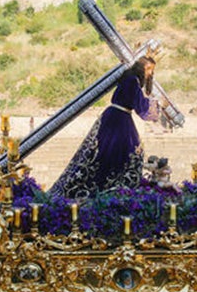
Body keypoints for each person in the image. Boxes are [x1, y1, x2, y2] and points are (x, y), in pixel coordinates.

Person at [50, 55, 162, 199]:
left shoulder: (128, 78)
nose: (150, 74)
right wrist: (158, 105)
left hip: (114, 117)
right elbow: (142, 108)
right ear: (143, 68)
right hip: (120, 120)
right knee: (130, 153)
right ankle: (115, 191)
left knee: (105, 152)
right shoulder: (133, 81)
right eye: (149, 69)